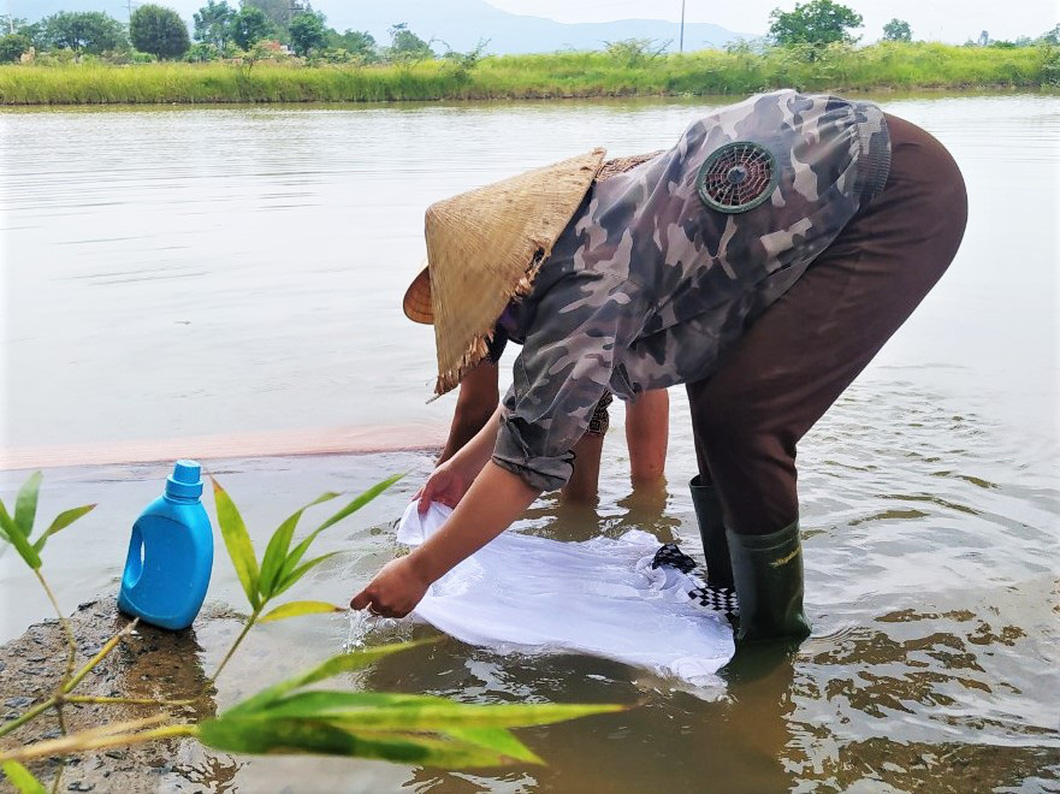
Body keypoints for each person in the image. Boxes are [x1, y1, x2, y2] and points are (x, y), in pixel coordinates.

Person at [352, 90, 967, 645]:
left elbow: (528, 460)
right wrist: (461, 469)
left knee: (745, 419)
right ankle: (731, 594)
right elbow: (543, 397)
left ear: (507, 288)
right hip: (838, 175)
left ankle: (770, 639)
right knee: (719, 392)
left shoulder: (584, 284)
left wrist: (420, 570)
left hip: (894, 191)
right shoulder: (579, 227)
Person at [430, 310, 671, 504]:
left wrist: (450, 473)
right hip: (611, 296)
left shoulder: (570, 286)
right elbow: (477, 405)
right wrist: (451, 470)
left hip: (594, 299)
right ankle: (648, 497)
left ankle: (590, 515)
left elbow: (477, 408)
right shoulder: (469, 303)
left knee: (582, 395)